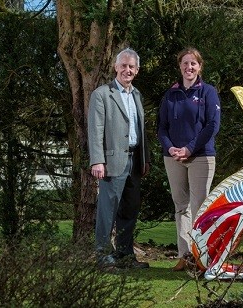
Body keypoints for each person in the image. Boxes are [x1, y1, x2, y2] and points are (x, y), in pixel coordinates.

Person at [157, 47, 221, 271]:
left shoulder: (208, 92)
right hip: (173, 158)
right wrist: (171, 148)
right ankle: (185, 255)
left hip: (200, 156)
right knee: (180, 206)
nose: (189, 67)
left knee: (199, 207)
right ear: (180, 67)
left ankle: (202, 256)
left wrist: (189, 148)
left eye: (193, 63)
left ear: (199, 67)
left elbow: (212, 126)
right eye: (185, 63)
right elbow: (162, 127)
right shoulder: (171, 94)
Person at [88, 47, 150, 270]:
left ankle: (125, 256)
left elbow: (142, 130)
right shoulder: (102, 94)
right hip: (111, 162)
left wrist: (146, 159)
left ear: (137, 70)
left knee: (129, 211)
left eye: (131, 66)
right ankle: (103, 256)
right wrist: (97, 160)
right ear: (115, 67)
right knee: (108, 211)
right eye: (123, 65)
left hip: (135, 162)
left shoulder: (137, 95)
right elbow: (95, 130)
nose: (127, 70)